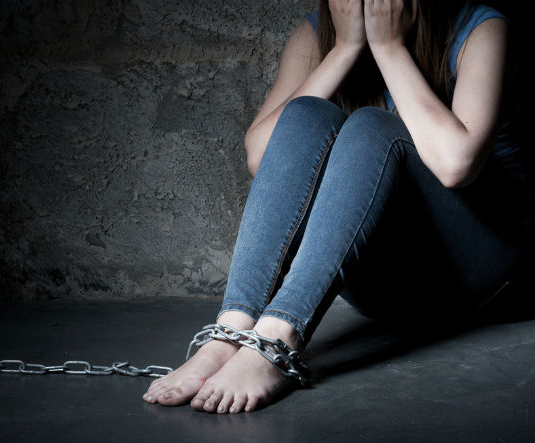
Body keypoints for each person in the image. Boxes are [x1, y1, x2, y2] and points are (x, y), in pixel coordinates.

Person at [143, 0, 530, 413]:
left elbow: (456, 165)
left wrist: (389, 48)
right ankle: (230, 332)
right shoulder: (316, 33)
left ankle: (278, 338)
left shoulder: (480, 29)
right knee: (304, 112)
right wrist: (344, 49)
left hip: (479, 276)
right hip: (385, 287)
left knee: (371, 125)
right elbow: (261, 155)